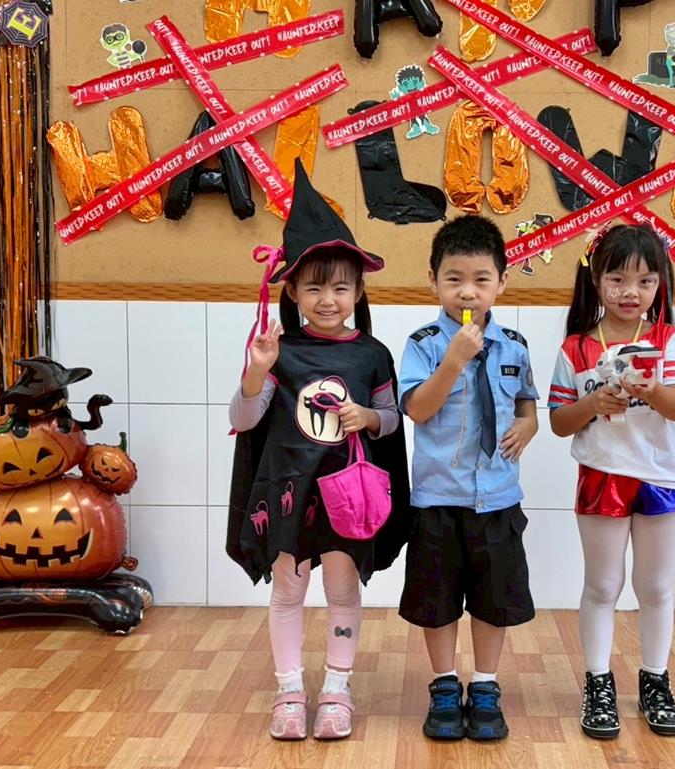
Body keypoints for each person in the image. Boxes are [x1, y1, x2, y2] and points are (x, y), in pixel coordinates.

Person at [227, 161, 411, 742]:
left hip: (346, 496)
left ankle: (337, 688)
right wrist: (256, 371)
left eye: (340, 287)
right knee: (287, 590)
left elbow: (392, 420)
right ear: (292, 290)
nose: (328, 299)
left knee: (342, 590)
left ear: (359, 290)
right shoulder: (277, 351)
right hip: (288, 495)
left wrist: (369, 418)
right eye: (314, 287)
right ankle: (289, 690)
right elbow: (242, 420)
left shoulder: (372, 355)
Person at [548, 224, 675, 740]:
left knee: (655, 587)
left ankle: (656, 681)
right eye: (618, 279)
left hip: (660, 478)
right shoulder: (575, 348)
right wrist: (592, 402)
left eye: (646, 281)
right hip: (600, 475)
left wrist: (649, 390)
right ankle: (598, 683)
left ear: (660, 284)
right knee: (602, 586)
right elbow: (559, 421)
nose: (631, 292)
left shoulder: (667, 339)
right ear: (596, 279)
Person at [398, 214, 539, 741]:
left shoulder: (515, 345)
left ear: (502, 282)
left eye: (481, 279)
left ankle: (484, 685)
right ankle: (442, 685)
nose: (467, 291)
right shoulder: (424, 343)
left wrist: (529, 424)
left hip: (497, 498)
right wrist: (454, 361)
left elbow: (527, 404)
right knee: (437, 602)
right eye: (454, 278)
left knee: (492, 599)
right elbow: (418, 409)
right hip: (438, 498)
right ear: (433, 281)